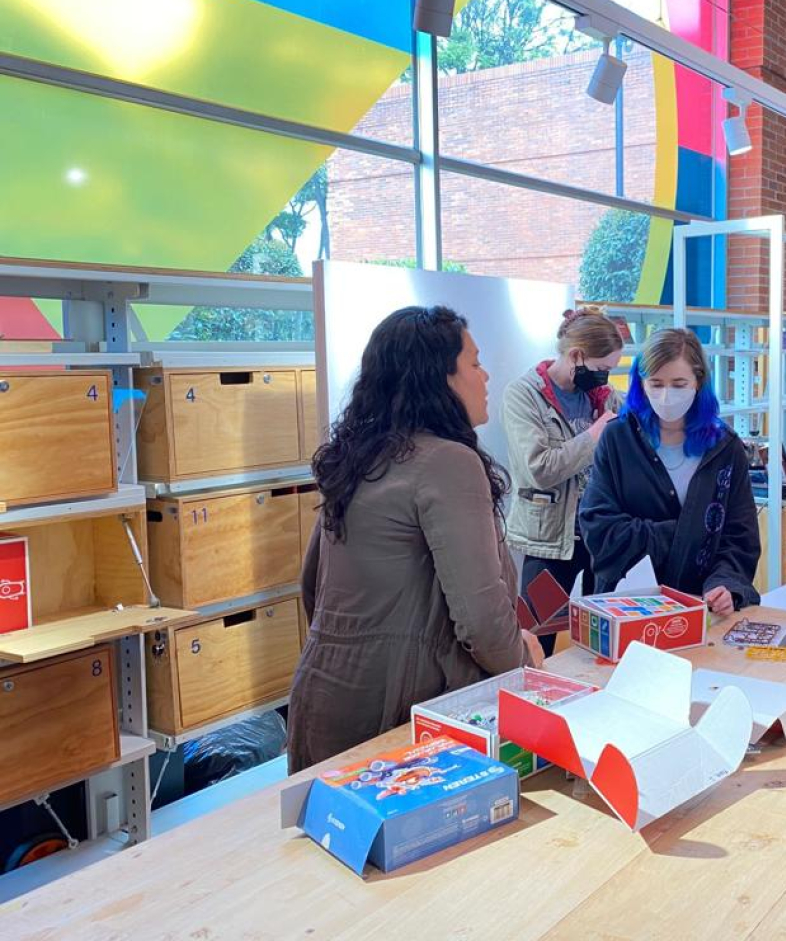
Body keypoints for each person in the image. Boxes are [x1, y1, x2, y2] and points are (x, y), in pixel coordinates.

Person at [288, 306, 543, 772]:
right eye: (474, 363)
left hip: (324, 695)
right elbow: (482, 619)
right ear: (439, 378)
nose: (486, 376)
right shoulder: (448, 463)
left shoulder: (359, 456)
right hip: (397, 712)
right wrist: (523, 662)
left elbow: (313, 586)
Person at [579, 328, 760, 616]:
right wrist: (684, 534)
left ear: (698, 381)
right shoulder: (618, 439)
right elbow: (598, 528)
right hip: (628, 608)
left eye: (678, 384)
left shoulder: (725, 448)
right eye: (656, 383)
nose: (666, 395)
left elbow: (740, 537)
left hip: (700, 608)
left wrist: (726, 585)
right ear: (641, 383)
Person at [502, 307, 624, 655]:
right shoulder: (524, 395)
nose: (605, 378)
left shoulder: (602, 396)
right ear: (576, 356)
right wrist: (594, 436)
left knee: (601, 641)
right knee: (535, 639)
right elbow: (538, 469)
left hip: (598, 536)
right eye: (602, 369)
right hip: (549, 541)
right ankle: (532, 705)